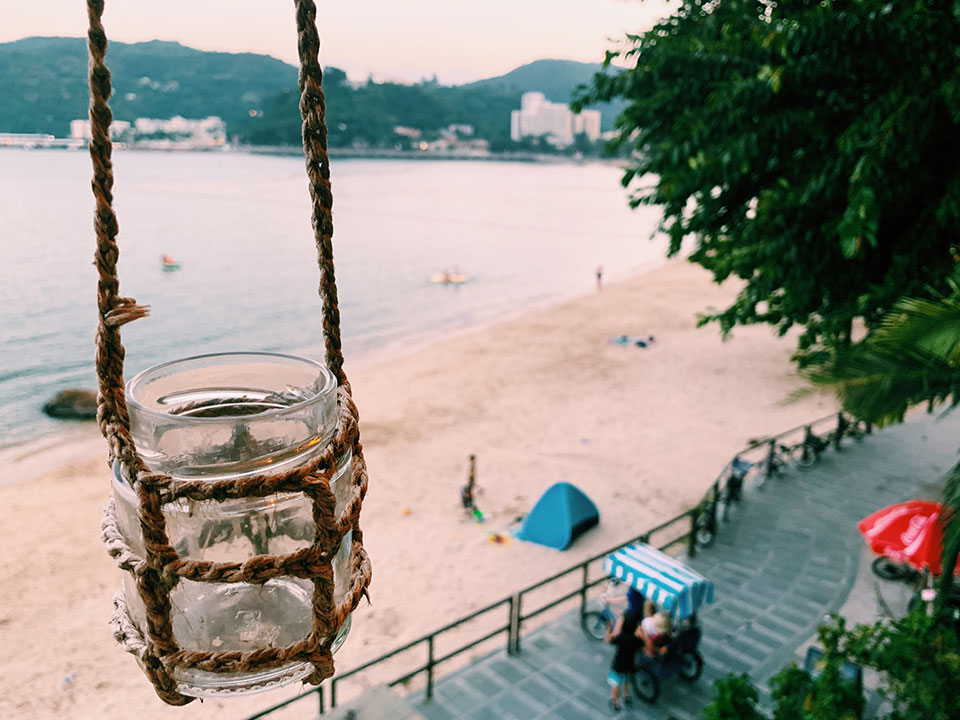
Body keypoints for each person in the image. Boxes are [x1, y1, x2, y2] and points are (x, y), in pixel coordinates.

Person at [605, 608, 639, 711]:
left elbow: (608, 639)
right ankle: (626, 696)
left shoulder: (621, 638)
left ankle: (615, 703)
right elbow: (642, 643)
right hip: (630, 664)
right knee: (626, 680)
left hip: (618, 665)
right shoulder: (635, 639)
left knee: (615, 684)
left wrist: (610, 628)